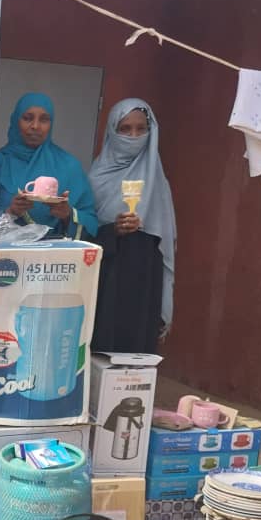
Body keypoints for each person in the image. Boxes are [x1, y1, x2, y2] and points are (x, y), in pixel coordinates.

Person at [89, 99, 176, 353]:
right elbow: (82, 231)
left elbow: (167, 238)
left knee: (135, 353)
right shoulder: (96, 176)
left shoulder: (157, 180)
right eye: (125, 129)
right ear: (112, 131)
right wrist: (112, 229)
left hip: (143, 273)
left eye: (141, 129)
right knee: (99, 347)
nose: (134, 136)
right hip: (105, 272)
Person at [0, 92, 97, 239]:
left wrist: (67, 215)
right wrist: (9, 213)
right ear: (16, 120)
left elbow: (91, 222)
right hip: (1, 255)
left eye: (44, 120)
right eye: (27, 118)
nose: (35, 126)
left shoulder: (69, 166)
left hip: (54, 257)